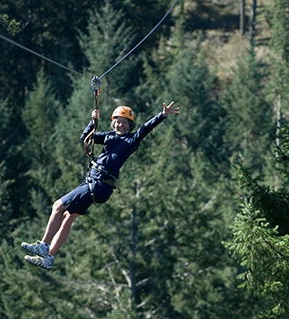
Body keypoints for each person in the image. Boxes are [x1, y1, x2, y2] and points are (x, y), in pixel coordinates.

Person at [21, 101, 180, 269]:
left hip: (98, 184)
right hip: (96, 184)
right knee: (68, 217)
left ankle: (44, 245)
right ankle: (49, 258)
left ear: (130, 125)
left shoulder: (131, 140)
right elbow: (86, 137)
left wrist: (162, 115)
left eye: (125, 122)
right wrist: (93, 121)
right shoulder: (109, 136)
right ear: (114, 123)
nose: (121, 124)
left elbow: (145, 129)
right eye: (118, 121)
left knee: (58, 205)